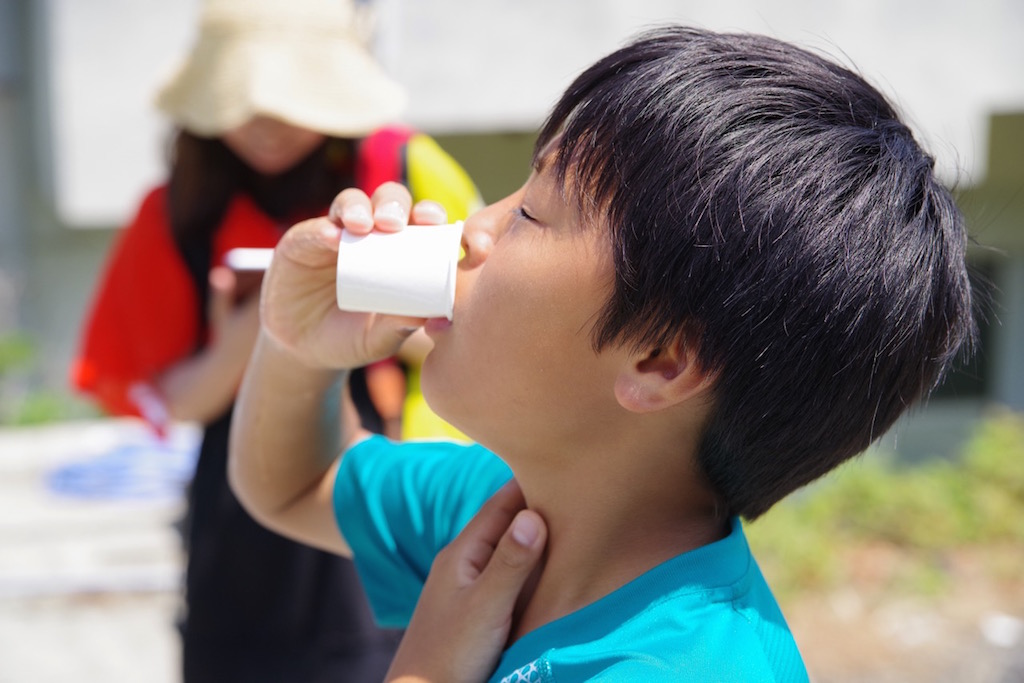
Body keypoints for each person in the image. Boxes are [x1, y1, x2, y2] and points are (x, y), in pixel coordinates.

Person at [228, 26, 976, 681]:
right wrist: (296, 347)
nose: (469, 229)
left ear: (658, 361)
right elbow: (298, 482)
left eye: (529, 212)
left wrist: (426, 666)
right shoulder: (502, 510)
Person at [70, 0, 480, 680]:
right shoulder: (177, 210)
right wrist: (262, 330)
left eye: (289, 102)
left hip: (380, 477)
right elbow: (173, 399)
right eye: (242, 103)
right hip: (237, 516)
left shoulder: (401, 171)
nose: (264, 126)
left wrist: (374, 314)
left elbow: (478, 334)